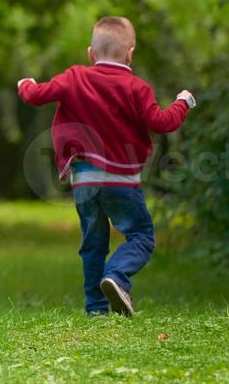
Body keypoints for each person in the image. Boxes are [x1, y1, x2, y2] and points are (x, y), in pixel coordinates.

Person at [17, 16, 196, 316]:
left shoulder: (75, 77)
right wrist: (183, 102)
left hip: (85, 179)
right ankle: (116, 276)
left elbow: (37, 95)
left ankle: (96, 308)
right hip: (121, 180)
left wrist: (26, 84)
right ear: (130, 53)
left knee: (93, 242)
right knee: (141, 236)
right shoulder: (137, 88)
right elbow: (162, 123)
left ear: (91, 53)